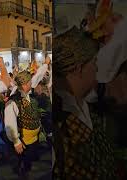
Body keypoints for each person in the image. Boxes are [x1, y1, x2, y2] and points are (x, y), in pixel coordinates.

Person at [52, 26, 116, 179]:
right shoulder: (57, 121)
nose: (96, 68)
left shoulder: (86, 104)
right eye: (93, 62)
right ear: (78, 68)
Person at [4, 57, 50, 178]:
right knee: (23, 166)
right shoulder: (13, 101)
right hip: (24, 142)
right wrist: (16, 141)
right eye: (29, 82)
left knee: (29, 163)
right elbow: (10, 123)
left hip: (33, 140)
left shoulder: (28, 91)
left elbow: (37, 77)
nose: (32, 83)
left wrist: (45, 64)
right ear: (24, 84)